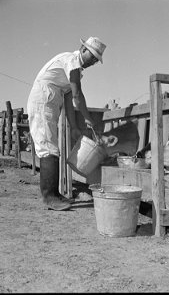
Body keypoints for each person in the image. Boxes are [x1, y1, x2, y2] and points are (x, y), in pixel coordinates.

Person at [27, 36, 106, 211]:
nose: (92, 61)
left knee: (52, 147)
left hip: (51, 102)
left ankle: (54, 194)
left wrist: (75, 127)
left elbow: (70, 100)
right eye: (91, 56)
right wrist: (88, 118)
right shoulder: (71, 61)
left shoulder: (75, 70)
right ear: (82, 49)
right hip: (43, 100)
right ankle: (50, 197)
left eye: (95, 59)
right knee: (48, 148)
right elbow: (78, 96)